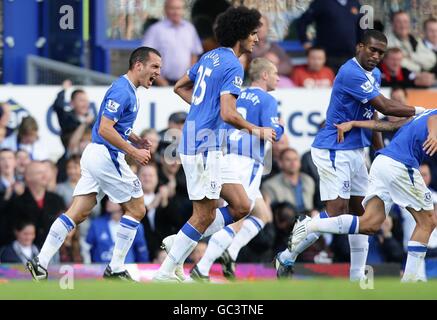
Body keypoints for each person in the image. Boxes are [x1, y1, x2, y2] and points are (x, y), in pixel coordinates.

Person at [274, 30, 426, 281]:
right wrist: (423, 110)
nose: (376, 56)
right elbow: (385, 107)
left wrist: (378, 150)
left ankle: (356, 277)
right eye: (372, 50)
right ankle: (290, 252)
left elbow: (373, 114)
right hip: (334, 148)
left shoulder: (374, 74)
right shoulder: (350, 71)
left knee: (361, 214)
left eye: (381, 53)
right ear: (359, 47)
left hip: (356, 150)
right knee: (336, 211)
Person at [153, 6, 276, 282]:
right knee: (204, 215)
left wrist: (201, 108)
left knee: (242, 205)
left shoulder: (210, 57)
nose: (256, 39)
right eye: (254, 34)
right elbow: (228, 113)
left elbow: (180, 86)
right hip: (204, 147)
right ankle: (165, 271)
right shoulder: (233, 64)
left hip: (205, 144)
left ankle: (181, 239)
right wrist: (256, 129)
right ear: (241, 33)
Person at [26, 47, 161, 281]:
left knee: (78, 212)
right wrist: (133, 151)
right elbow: (104, 129)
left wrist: (134, 138)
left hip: (94, 155)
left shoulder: (125, 89)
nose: (158, 72)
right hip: (106, 155)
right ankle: (116, 267)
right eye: (154, 67)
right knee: (138, 209)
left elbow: (114, 125)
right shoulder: (122, 91)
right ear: (138, 65)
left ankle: (40, 262)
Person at [291, 109, 437, 282]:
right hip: (401, 165)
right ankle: (412, 280)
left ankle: (311, 225)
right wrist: (434, 134)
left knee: (369, 224)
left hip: (382, 163)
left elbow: (384, 124)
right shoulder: (432, 115)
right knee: (428, 221)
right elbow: (434, 119)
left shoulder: (421, 111)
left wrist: (354, 123)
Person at [188, 57, 284, 281]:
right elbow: (273, 133)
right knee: (239, 214)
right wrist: (280, 127)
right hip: (247, 160)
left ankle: (230, 252)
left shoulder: (235, 94)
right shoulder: (267, 98)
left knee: (262, 214)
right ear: (264, 76)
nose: (278, 77)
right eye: (275, 73)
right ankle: (202, 268)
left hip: (227, 154)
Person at [142, 0, 203, 86]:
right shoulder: (155, 30)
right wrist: (160, 81)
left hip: (184, 84)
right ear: (165, 10)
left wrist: (188, 79)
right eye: (172, 8)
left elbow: (194, 55)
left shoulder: (190, 29)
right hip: (160, 83)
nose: (176, 12)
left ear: (183, 10)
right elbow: (146, 57)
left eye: (178, 8)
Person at [296, 0, 363, 73]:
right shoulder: (321, 2)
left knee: (348, 82)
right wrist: (305, 41)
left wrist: (361, 45)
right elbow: (302, 22)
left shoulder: (355, 3)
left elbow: (361, 28)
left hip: (350, 56)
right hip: (327, 57)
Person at [87, 199, 149, 264]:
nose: (108, 202)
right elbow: (89, 249)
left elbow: (141, 251)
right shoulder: (96, 224)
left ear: (123, 204)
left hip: (127, 268)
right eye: (108, 199)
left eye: (112, 200)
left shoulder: (135, 225)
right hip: (101, 268)